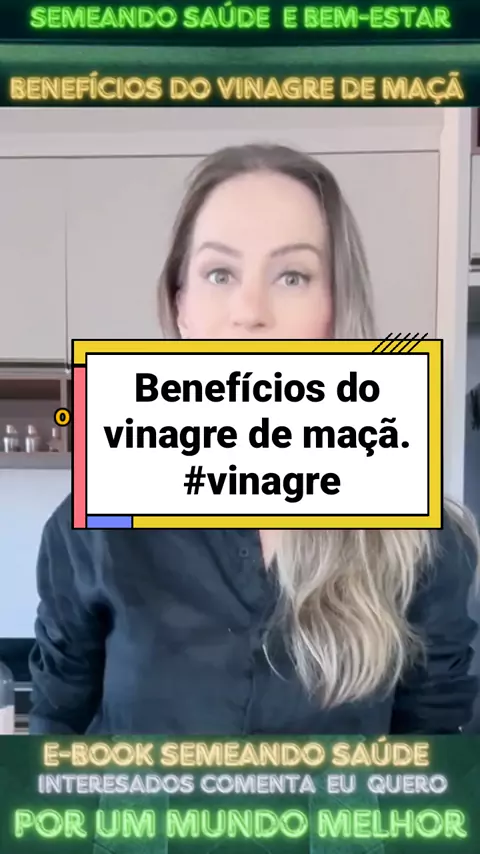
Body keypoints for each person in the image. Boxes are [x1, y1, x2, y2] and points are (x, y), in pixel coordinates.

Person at [30, 144, 480, 735]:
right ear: (181, 306)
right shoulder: (92, 529)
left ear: (336, 307)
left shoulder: (424, 542)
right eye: (220, 274)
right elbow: (54, 735)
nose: (250, 312)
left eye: (292, 276)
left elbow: (434, 756)